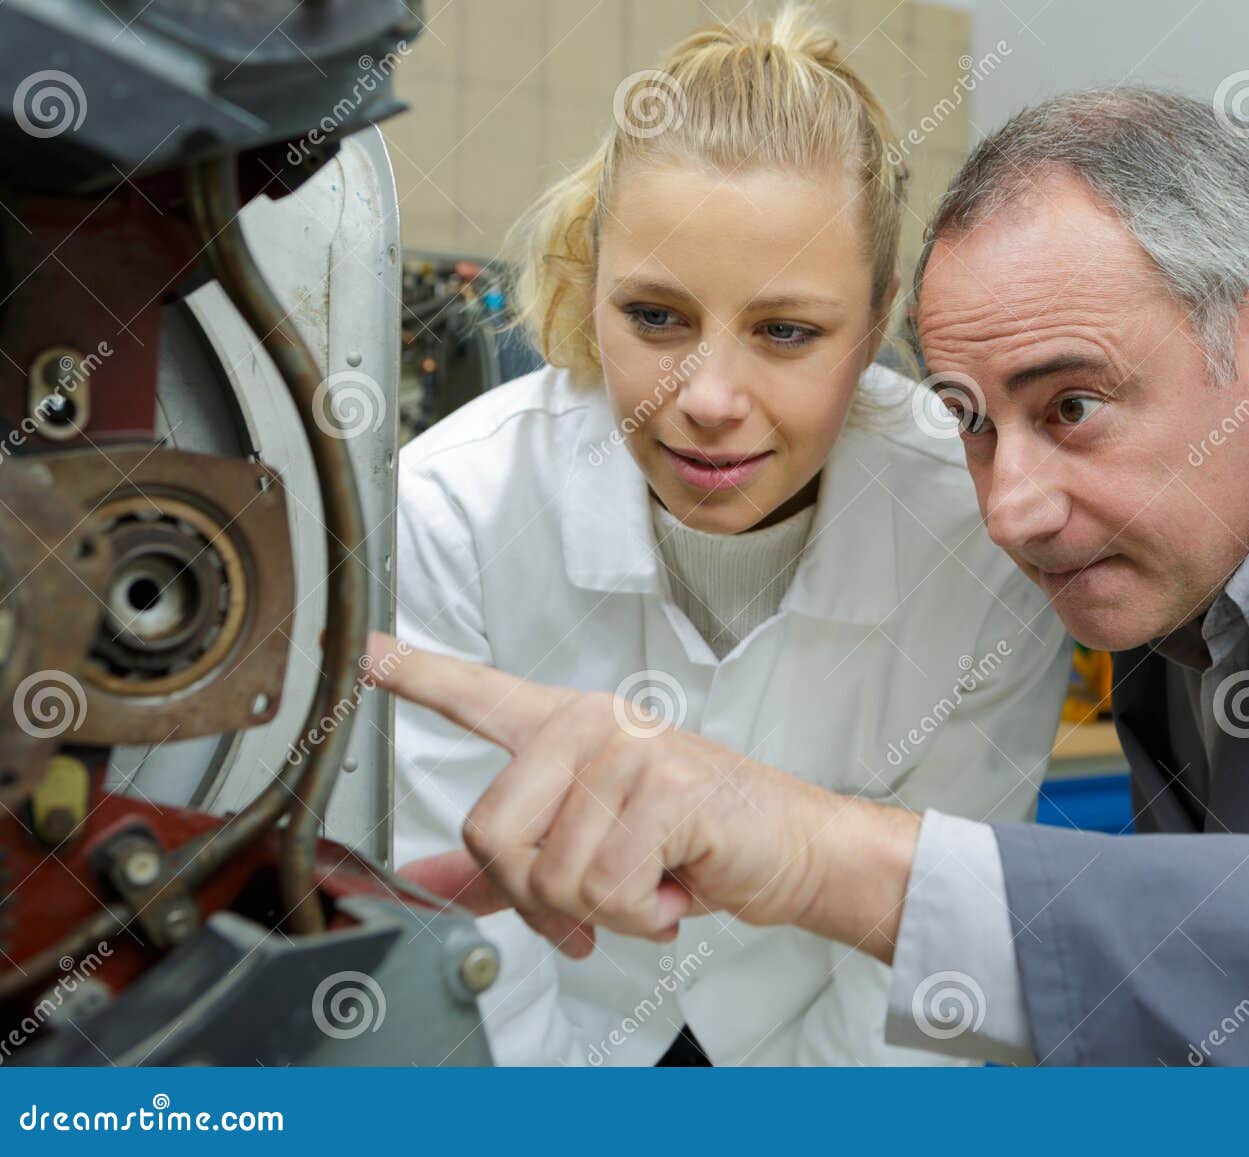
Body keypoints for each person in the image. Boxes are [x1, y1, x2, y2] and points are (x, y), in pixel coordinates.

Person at [379, 85, 1249, 1066]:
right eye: (969, 418)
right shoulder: (1190, 597)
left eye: (1071, 404)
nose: (1008, 511)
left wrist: (824, 853)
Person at [389, 9, 1070, 1068]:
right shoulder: (454, 506)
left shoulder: (976, 534)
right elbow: (459, 941)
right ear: (591, 280)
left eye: (786, 331)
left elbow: (928, 941)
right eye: (654, 316)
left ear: (883, 314)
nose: (706, 398)